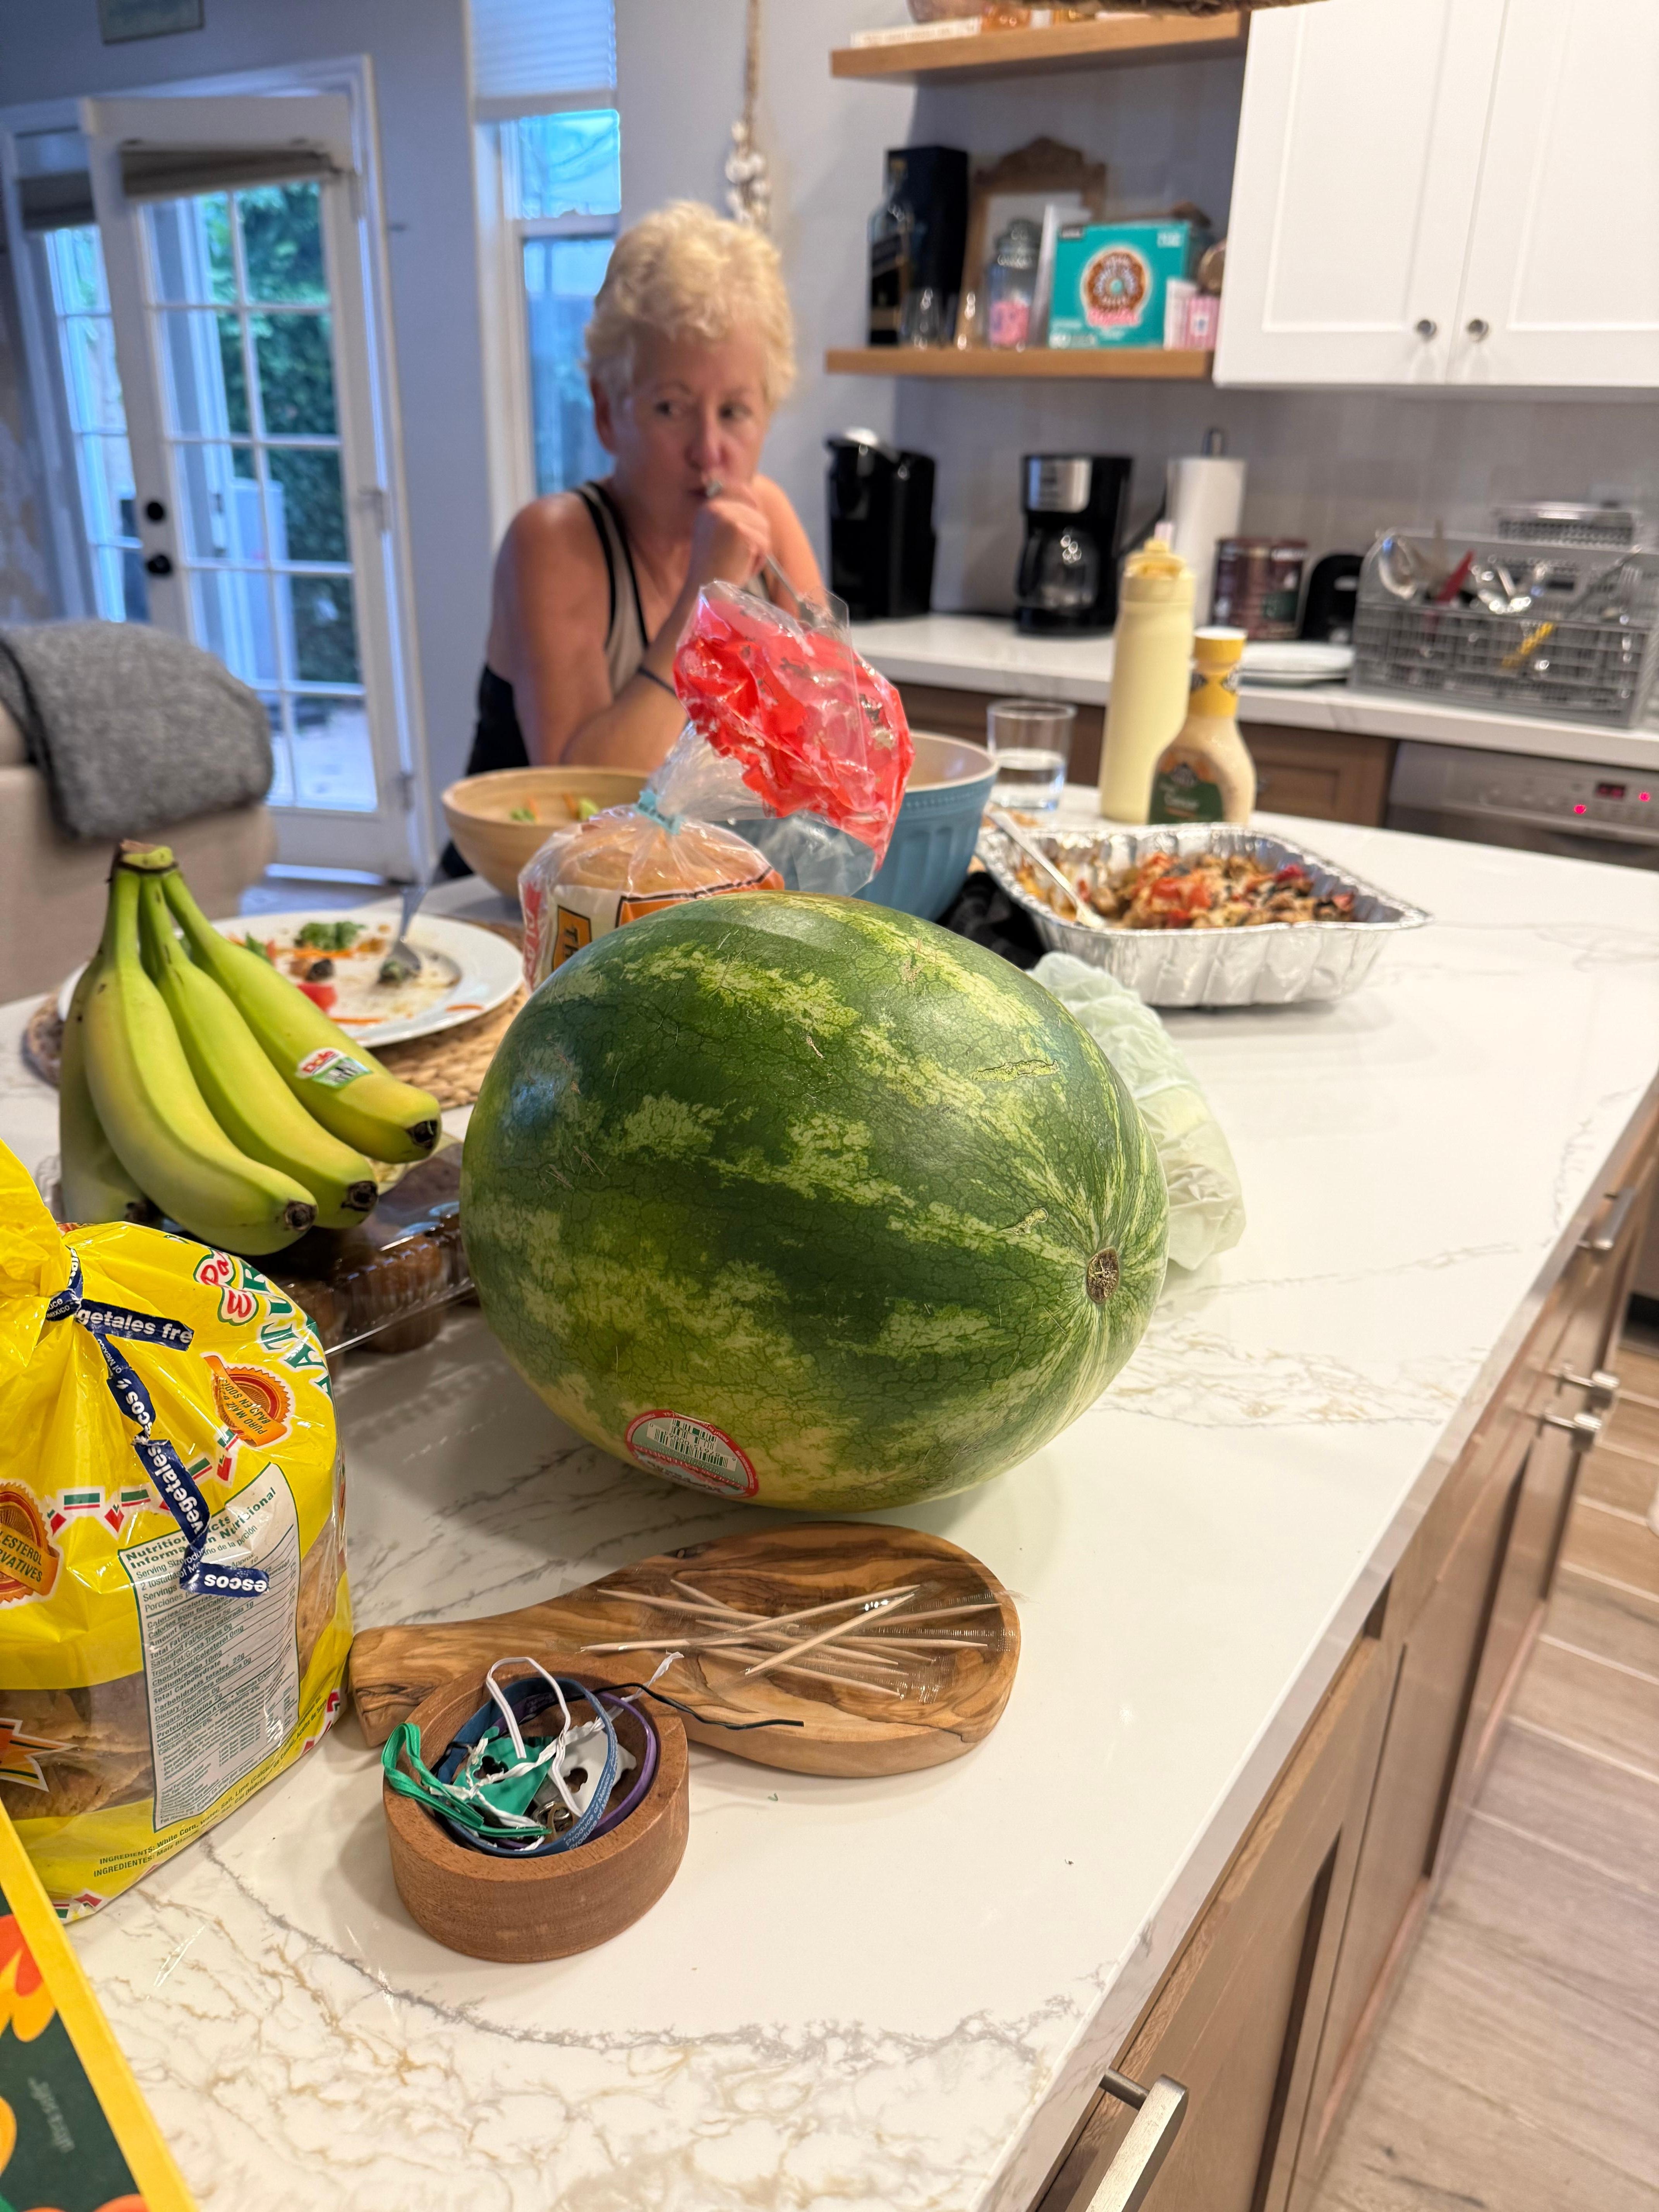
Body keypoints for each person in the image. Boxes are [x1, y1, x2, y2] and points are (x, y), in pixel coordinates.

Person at [463, 200, 823, 795]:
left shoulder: (770, 516)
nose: (709, 452)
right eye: (671, 409)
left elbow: (825, 746)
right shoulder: (553, 542)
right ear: (608, 413)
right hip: (506, 887)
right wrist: (703, 603)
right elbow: (585, 800)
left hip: (702, 886)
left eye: (734, 411)